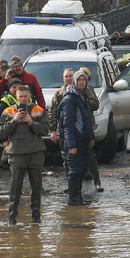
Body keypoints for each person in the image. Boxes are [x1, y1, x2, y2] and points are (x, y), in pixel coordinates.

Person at [0, 82, 48, 224]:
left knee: (36, 189)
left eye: (26, 96)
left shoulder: (38, 110)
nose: (23, 99)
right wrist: (14, 121)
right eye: (21, 96)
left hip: (35, 154)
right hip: (16, 154)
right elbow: (2, 132)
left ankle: (36, 218)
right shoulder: (9, 111)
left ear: (30, 96)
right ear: (16, 96)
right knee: (15, 189)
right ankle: (12, 219)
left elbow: (45, 130)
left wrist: (31, 122)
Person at [57, 69, 96, 206]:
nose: (81, 82)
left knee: (82, 169)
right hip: (74, 140)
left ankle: (78, 198)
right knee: (74, 170)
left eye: (83, 80)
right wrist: (71, 144)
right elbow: (67, 124)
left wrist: (91, 137)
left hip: (84, 139)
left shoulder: (83, 96)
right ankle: (73, 199)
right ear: (74, 81)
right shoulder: (69, 98)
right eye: (79, 80)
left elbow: (87, 118)